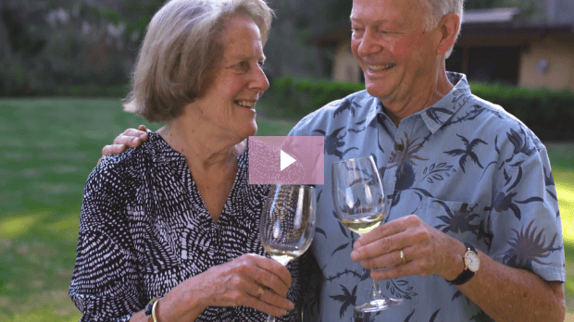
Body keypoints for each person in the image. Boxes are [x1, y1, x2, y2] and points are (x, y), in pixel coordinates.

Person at [105, 0, 567, 321]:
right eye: (356, 28)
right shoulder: (315, 134)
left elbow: (548, 313)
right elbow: (222, 160)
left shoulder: (511, 148)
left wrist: (456, 259)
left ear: (444, 32)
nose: (364, 47)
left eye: (385, 30)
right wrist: (151, 147)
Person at [69, 0, 307, 321]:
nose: (262, 81)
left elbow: (362, 193)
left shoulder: (283, 162)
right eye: (241, 65)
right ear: (185, 72)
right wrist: (198, 292)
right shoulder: (122, 179)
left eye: (260, 63)